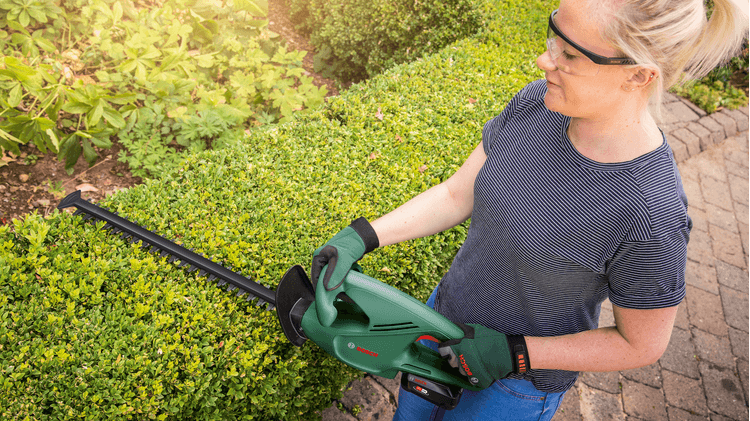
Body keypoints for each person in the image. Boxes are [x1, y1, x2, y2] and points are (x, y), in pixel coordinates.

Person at [310, 0, 749, 419]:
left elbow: (641, 344)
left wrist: (516, 353)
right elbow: (456, 195)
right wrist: (362, 236)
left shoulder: (650, 211)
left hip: (513, 389)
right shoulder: (538, 103)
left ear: (638, 75)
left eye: (570, 55)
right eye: (553, 36)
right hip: (437, 327)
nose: (544, 60)